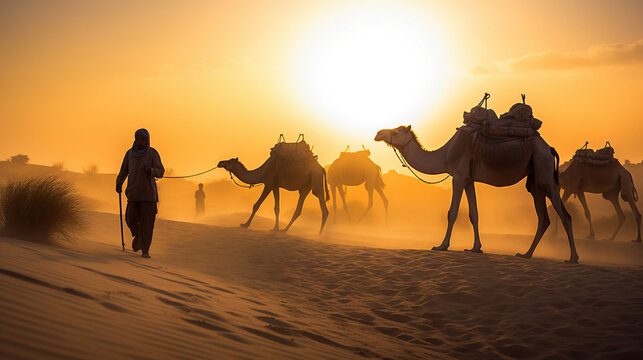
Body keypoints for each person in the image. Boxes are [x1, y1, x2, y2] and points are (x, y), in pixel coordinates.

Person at [116, 129, 165, 258]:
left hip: (149, 195)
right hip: (133, 193)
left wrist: (151, 170)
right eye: (137, 138)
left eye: (142, 139)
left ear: (147, 140)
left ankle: (145, 250)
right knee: (130, 219)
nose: (140, 141)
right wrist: (119, 183)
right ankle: (138, 237)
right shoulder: (130, 154)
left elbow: (161, 172)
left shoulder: (152, 153)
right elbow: (123, 171)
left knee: (148, 224)